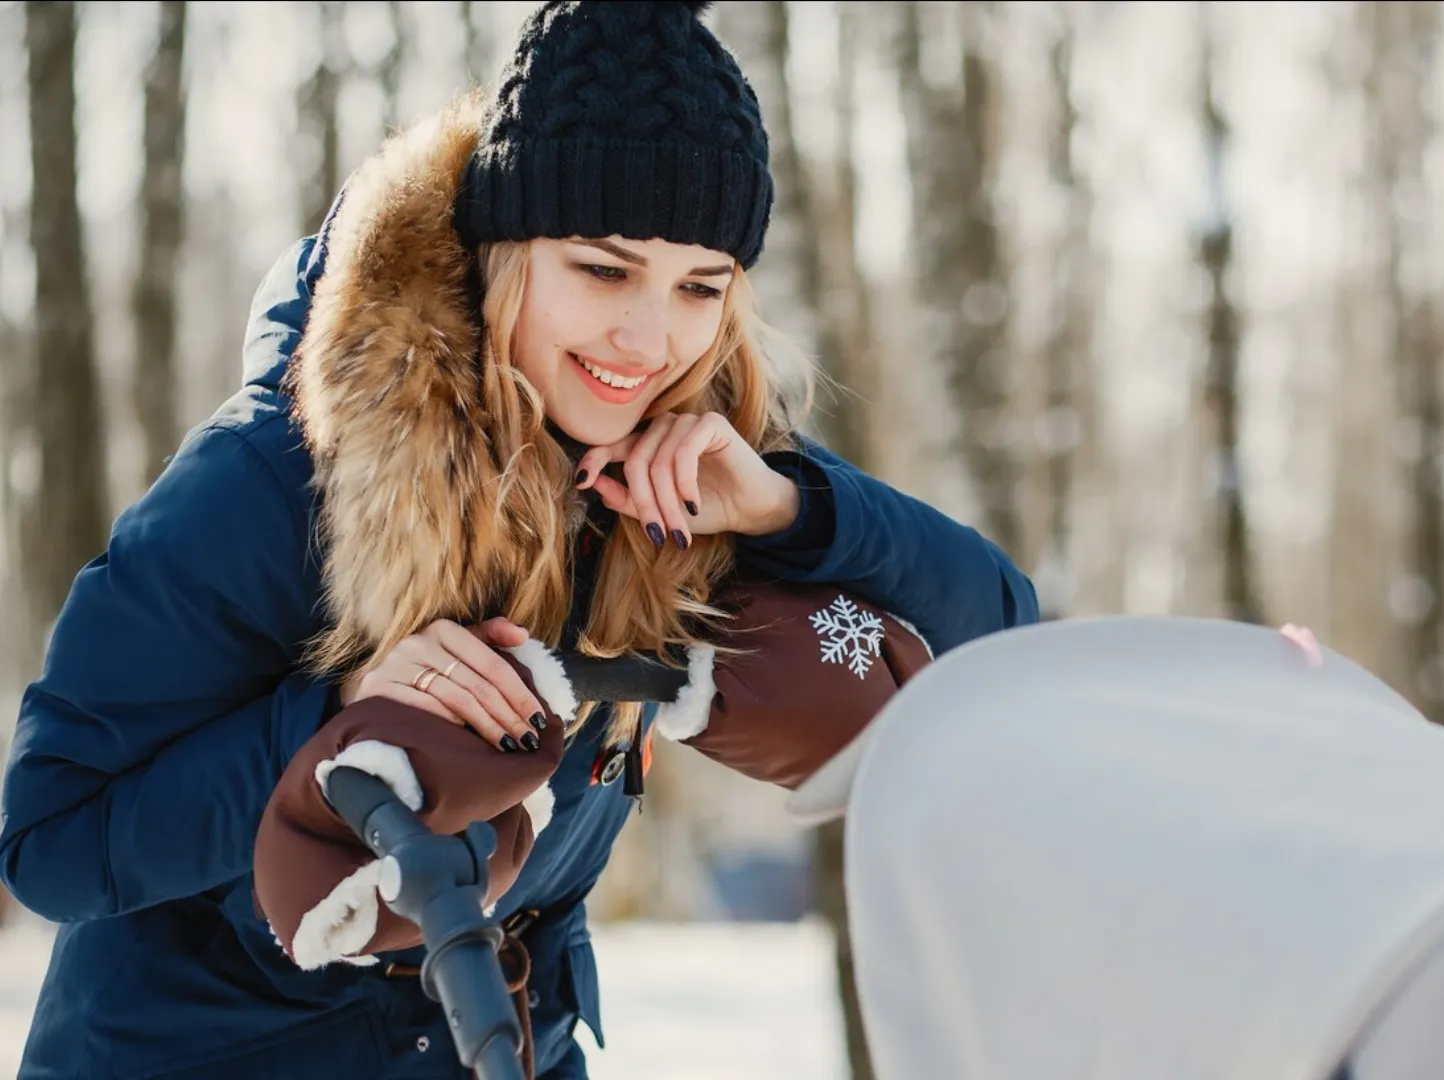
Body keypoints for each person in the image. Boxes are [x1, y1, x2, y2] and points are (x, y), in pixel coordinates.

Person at [0, 2, 1039, 1077]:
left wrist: (790, 506)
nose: (648, 340)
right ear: (506, 252)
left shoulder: (699, 462)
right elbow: (52, 843)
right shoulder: (283, 474)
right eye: (602, 268)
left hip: (506, 1040)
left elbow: (1001, 642)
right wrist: (340, 716)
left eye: (701, 287)